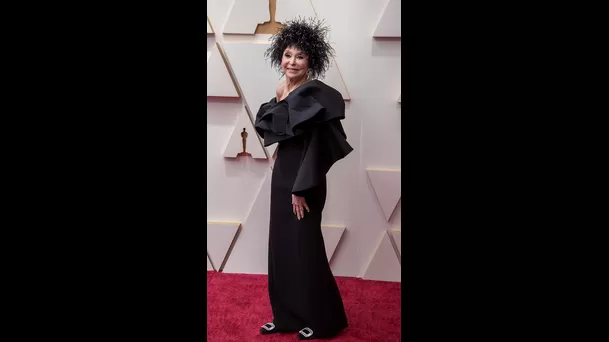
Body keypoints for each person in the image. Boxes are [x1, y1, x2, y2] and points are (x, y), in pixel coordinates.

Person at [254, 17, 353, 340]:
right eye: (287, 54)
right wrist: (280, 152)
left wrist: (301, 189)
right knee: (281, 246)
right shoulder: (281, 88)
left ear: (312, 60)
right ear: (279, 57)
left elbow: (316, 145)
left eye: (300, 56)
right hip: (283, 173)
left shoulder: (319, 95)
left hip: (304, 179)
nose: (291, 61)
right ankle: (286, 316)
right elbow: (288, 131)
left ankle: (324, 320)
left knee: (305, 248)